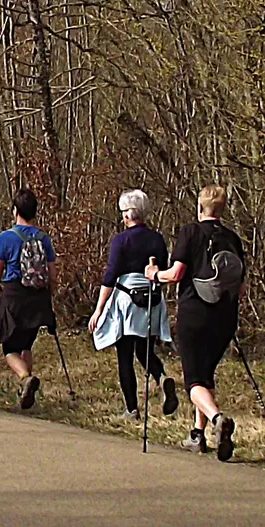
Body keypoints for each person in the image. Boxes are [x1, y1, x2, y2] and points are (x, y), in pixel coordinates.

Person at [149, 184, 247, 460]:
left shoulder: (190, 232)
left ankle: (217, 419)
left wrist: (154, 274)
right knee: (205, 375)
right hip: (225, 316)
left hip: (195, 313)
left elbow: (176, 274)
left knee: (193, 382)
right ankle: (197, 435)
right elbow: (241, 287)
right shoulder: (233, 239)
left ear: (200, 207)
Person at [88, 190, 172, 419]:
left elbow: (111, 275)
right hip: (152, 299)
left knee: (124, 356)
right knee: (145, 350)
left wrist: (99, 309)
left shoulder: (121, 240)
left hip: (127, 301)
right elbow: (163, 268)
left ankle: (132, 408)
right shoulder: (157, 239)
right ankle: (162, 378)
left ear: (127, 215)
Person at [0, 189, 57, 410]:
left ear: (15, 211)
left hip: (15, 294)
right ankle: (26, 390)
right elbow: (52, 274)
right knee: (27, 344)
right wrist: (50, 296)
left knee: (9, 346)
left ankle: (25, 378)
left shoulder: (7, 237)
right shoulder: (44, 239)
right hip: (38, 297)